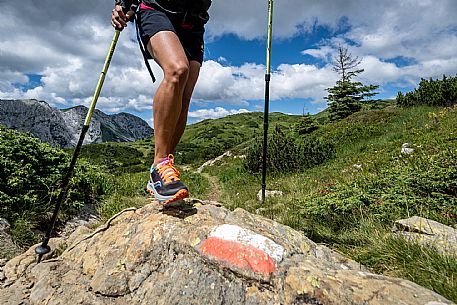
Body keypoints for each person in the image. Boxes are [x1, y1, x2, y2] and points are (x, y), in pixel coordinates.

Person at [111, 0, 211, 205]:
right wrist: (124, 3)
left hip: (194, 21)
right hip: (157, 8)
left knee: (184, 98)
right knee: (177, 70)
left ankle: (165, 173)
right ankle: (159, 164)